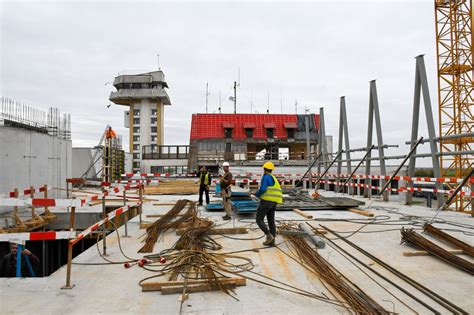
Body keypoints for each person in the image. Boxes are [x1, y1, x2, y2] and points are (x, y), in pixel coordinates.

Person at [255, 161, 283, 247]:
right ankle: (272, 242)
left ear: (264, 169)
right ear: (271, 170)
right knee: (271, 222)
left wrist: (257, 194)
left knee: (259, 219)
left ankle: (268, 236)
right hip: (274, 203)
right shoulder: (274, 178)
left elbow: (263, 189)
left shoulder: (266, 177)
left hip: (266, 202)